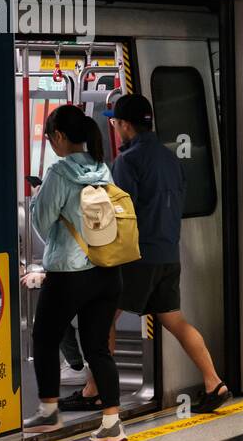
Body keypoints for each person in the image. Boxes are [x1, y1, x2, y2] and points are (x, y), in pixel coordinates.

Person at [56, 94, 229, 415]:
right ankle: (213, 382)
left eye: (116, 122)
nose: (115, 126)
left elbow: (118, 213)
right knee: (175, 320)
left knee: (102, 317)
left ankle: (95, 390)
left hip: (137, 258)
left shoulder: (128, 161)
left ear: (125, 125)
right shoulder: (170, 159)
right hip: (168, 255)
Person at [23, 104, 126, 441]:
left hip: (69, 273)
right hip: (107, 268)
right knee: (98, 346)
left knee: (45, 337)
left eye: (51, 137)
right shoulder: (102, 168)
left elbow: (41, 222)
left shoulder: (58, 173)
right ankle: (112, 422)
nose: (52, 143)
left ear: (61, 137)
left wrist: (38, 197)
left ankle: (49, 411)